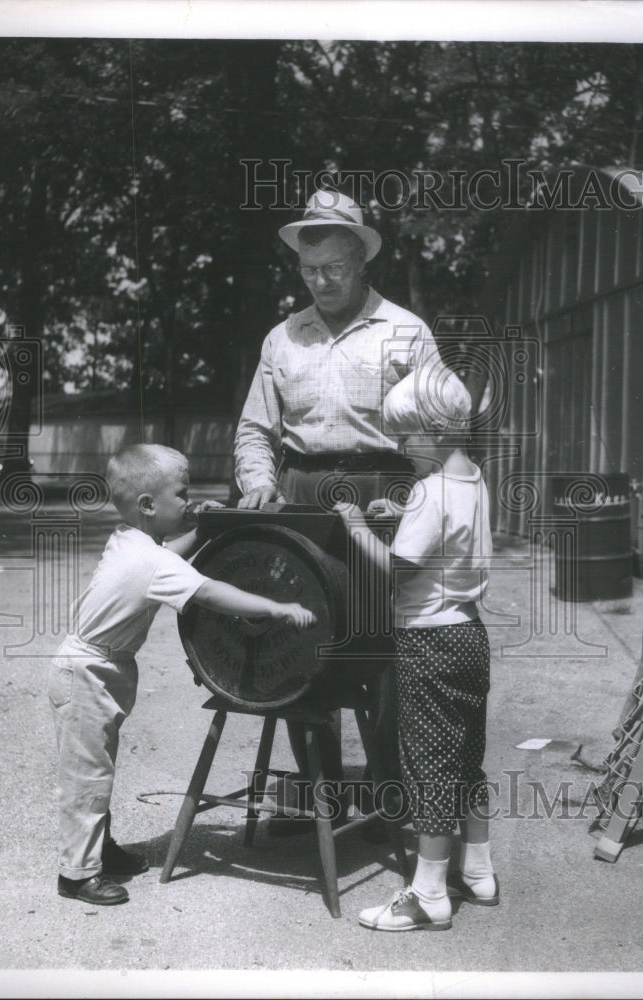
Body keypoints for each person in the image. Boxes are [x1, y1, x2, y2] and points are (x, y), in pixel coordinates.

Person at [234, 189, 440, 802]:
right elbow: (254, 428)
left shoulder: (406, 330)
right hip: (301, 495)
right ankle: (318, 788)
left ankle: (390, 788)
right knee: (304, 641)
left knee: (388, 644)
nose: (320, 281)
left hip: (383, 495)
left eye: (334, 268)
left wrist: (420, 502)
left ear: (361, 263)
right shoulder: (284, 337)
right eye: (308, 269)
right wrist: (259, 482)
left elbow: (431, 433)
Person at [49, 443, 315, 905]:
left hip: (99, 666)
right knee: (87, 777)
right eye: (183, 492)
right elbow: (208, 591)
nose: (189, 499)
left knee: (99, 768)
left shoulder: (132, 540)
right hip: (87, 671)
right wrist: (275, 606)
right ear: (149, 505)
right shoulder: (152, 561)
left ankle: (98, 851)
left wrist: (199, 525)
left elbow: (171, 553)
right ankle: (77, 875)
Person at [335, 366, 498, 931]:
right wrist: (400, 517)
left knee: (428, 766)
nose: (401, 447)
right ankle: (478, 871)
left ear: (436, 429)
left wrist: (356, 527)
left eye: (406, 436)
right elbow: (444, 540)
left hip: (429, 638)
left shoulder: (428, 491)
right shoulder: (473, 479)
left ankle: (429, 892)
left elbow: (399, 574)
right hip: (469, 634)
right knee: (465, 759)